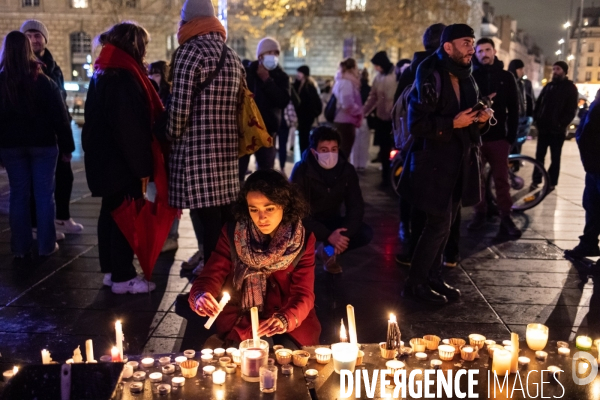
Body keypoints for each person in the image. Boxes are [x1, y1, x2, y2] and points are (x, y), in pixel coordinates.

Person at [399, 24, 492, 304]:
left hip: (459, 163)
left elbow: (468, 122)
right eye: (466, 43)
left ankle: (433, 278)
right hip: (434, 164)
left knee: (447, 223)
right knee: (437, 224)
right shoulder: (429, 72)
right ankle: (415, 283)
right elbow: (417, 124)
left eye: (472, 43)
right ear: (448, 46)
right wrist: (453, 122)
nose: (471, 49)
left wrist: (480, 119)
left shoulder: (467, 76)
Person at [188, 169, 321, 347]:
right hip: (243, 320)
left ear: (285, 205)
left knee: (288, 363)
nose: (262, 217)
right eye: (254, 209)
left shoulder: (301, 241)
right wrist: (201, 295)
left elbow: (304, 294)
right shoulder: (233, 234)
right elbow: (212, 274)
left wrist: (284, 318)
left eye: (269, 208)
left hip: (287, 321)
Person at [168, 0, 244, 272]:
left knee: (205, 217)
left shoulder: (189, 52)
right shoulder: (232, 55)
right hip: (225, 152)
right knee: (224, 217)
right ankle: (226, 268)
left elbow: (179, 108)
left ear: (187, 21)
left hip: (197, 152)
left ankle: (214, 275)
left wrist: (170, 134)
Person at [82, 22, 158, 293]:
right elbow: (130, 129)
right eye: (143, 44)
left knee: (111, 213)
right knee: (124, 217)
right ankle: (123, 276)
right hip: (120, 163)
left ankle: (112, 271)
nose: (145, 50)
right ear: (134, 45)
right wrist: (142, 168)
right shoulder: (123, 77)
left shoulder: (105, 72)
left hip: (106, 160)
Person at [0, 31, 74, 259]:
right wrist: (66, 146)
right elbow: (60, 116)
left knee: (18, 194)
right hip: (43, 145)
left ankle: (20, 247)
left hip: (11, 146)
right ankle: (46, 245)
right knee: (44, 195)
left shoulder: (1, 81)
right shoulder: (42, 80)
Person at [20, 20, 84, 235]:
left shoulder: (52, 65)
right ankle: (37, 225)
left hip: (55, 131)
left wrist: (66, 135)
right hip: (35, 135)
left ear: (45, 39)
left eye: (38, 35)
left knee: (65, 176)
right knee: (38, 183)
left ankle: (62, 218)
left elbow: (61, 99)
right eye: (29, 35)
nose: (34, 39)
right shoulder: (19, 65)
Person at [393, 23, 446, 260]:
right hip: (434, 141)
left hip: (408, 143)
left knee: (411, 193)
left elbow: (396, 106)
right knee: (434, 204)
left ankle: (410, 241)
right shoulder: (441, 70)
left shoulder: (411, 68)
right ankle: (432, 254)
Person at [291, 126, 372, 274]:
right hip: (306, 223)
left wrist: (341, 236)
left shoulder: (346, 170)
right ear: (313, 152)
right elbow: (296, 212)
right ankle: (312, 254)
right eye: (324, 150)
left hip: (332, 220)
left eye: (333, 149)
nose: (330, 154)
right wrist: (328, 235)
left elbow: (356, 207)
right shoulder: (301, 170)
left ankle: (326, 251)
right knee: (292, 244)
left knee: (364, 233)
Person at [469, 38, 521, 237]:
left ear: (494, 51)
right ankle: (479, 212)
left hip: (499, 137)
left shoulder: (506, 77)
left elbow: (514, 109)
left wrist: (511, 137)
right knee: (477, 179)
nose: (484, 54)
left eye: (487, 50)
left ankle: (505, 216)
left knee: (501, 179)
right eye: (480, 51)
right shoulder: (471, 76)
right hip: (477, 137)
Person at [239, 37, 290, 180]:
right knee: (239, 172)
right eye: (270, 52)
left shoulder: (281, 77)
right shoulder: (247, 72)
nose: (273, 56)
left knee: (265, 175)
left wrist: (267, 81)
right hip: (246, 130)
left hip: (268, 132)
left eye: (276, 53)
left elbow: (283, 101)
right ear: (260, 55)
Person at [147, 60, 180, 253]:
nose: (153, 78)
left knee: (168, 197)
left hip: (167, 155)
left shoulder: (169, 97)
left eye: (157, 74)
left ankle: (171, 236)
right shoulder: (152, 95)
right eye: (151, 73)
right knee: (154, 195)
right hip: (155, 155)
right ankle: (161, 234)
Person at [532, 61, 578, 190]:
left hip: (557, 131)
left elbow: (572, 110)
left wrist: (561, 124)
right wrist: (537, 119)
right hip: (544, 128)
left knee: (555, 157)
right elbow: (539, 103)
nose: (555, 72)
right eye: (554, 69)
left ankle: (552, 182)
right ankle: (536, 179)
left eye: (557, 69)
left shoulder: (570, 88)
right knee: (539, 156)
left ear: (564, 71)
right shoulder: (549, 86)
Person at [566, 90, 600, 259]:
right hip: (593, 165)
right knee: (592, 205)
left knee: (594, 205)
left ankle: (588, 243)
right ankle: (588, 243)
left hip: (595, 163)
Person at [363, 51, 398, 186]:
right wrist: (364, 111)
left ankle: (394, 175)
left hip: (394, 119)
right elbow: (373, 97)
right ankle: (385, 177)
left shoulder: (396, 75)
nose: (375, 68)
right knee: (384, 150)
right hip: (381, 118)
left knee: (394, 148)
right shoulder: (378, 78)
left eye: (376, 65)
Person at [332, 58, 363, 158]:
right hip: (345, 122)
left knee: (341, 153)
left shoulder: (342, 81)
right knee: (344, 153)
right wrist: (359, 111)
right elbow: (347, 104)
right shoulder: (347, 82)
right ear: (353, 68)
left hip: (343, 121)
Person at [508, 59, 535, 155]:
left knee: (518, 142)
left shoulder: (523, 83)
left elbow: (529, 99)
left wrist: (529, 114)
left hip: (521, 117)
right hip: (511, 118)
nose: (522, 72)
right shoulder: (508, 81)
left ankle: (515, 161)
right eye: (520, 69)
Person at [293, 65, 322, 155]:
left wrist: (313, 114)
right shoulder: (299, 85)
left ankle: (305, 157)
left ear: (304, 74)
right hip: (302, 117)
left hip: (306, 117)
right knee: (303, 138)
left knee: (304, 138)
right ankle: (304, 156)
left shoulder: (309, 87)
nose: (298, 74)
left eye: (300, 72)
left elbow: (316, 102)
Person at [351, 68, 372, 170]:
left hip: (354, 117)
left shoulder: (355, 88)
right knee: (364, 143)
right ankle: (362, 164)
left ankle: (354, 163)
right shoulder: (369, 88)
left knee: (354, 143)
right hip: (366, 118)